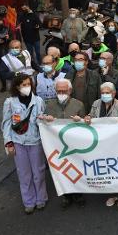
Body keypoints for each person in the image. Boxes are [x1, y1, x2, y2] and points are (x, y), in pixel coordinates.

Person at [2, 74, 48, 214]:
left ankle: (41, 199)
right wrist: (8, 142)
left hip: (35, 141)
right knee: (24, 174)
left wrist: (43, 119)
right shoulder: (10, 102)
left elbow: (42, 119)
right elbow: (6, 124)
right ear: (17, 87)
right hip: (18, 142)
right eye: (23, 85)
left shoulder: (39, 100)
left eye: (28, 84)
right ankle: (28, 201)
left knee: (38, 172)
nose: (26, 87)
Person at [42, 79, 87, 208]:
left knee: (76, 169)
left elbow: (85, 125)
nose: (61, 93)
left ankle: (78, 194)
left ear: (70, 91)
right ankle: (66, 196)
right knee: (62, 171)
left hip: (74, 145)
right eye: (59, 91)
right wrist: (46, 120)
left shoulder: (78, 105)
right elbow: (44, 124)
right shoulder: (49, 105)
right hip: (56, 146)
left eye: (64, 91)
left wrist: (81, 120)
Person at [85, 82, 118, 208]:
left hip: (117, 143)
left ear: (114, 93)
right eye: (103, 93)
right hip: (101, 142)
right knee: (106, 168)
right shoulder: (96, 104)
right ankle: (111, 194)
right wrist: (88, 117)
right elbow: (91, 116)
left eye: (108, 93)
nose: (105, 95)